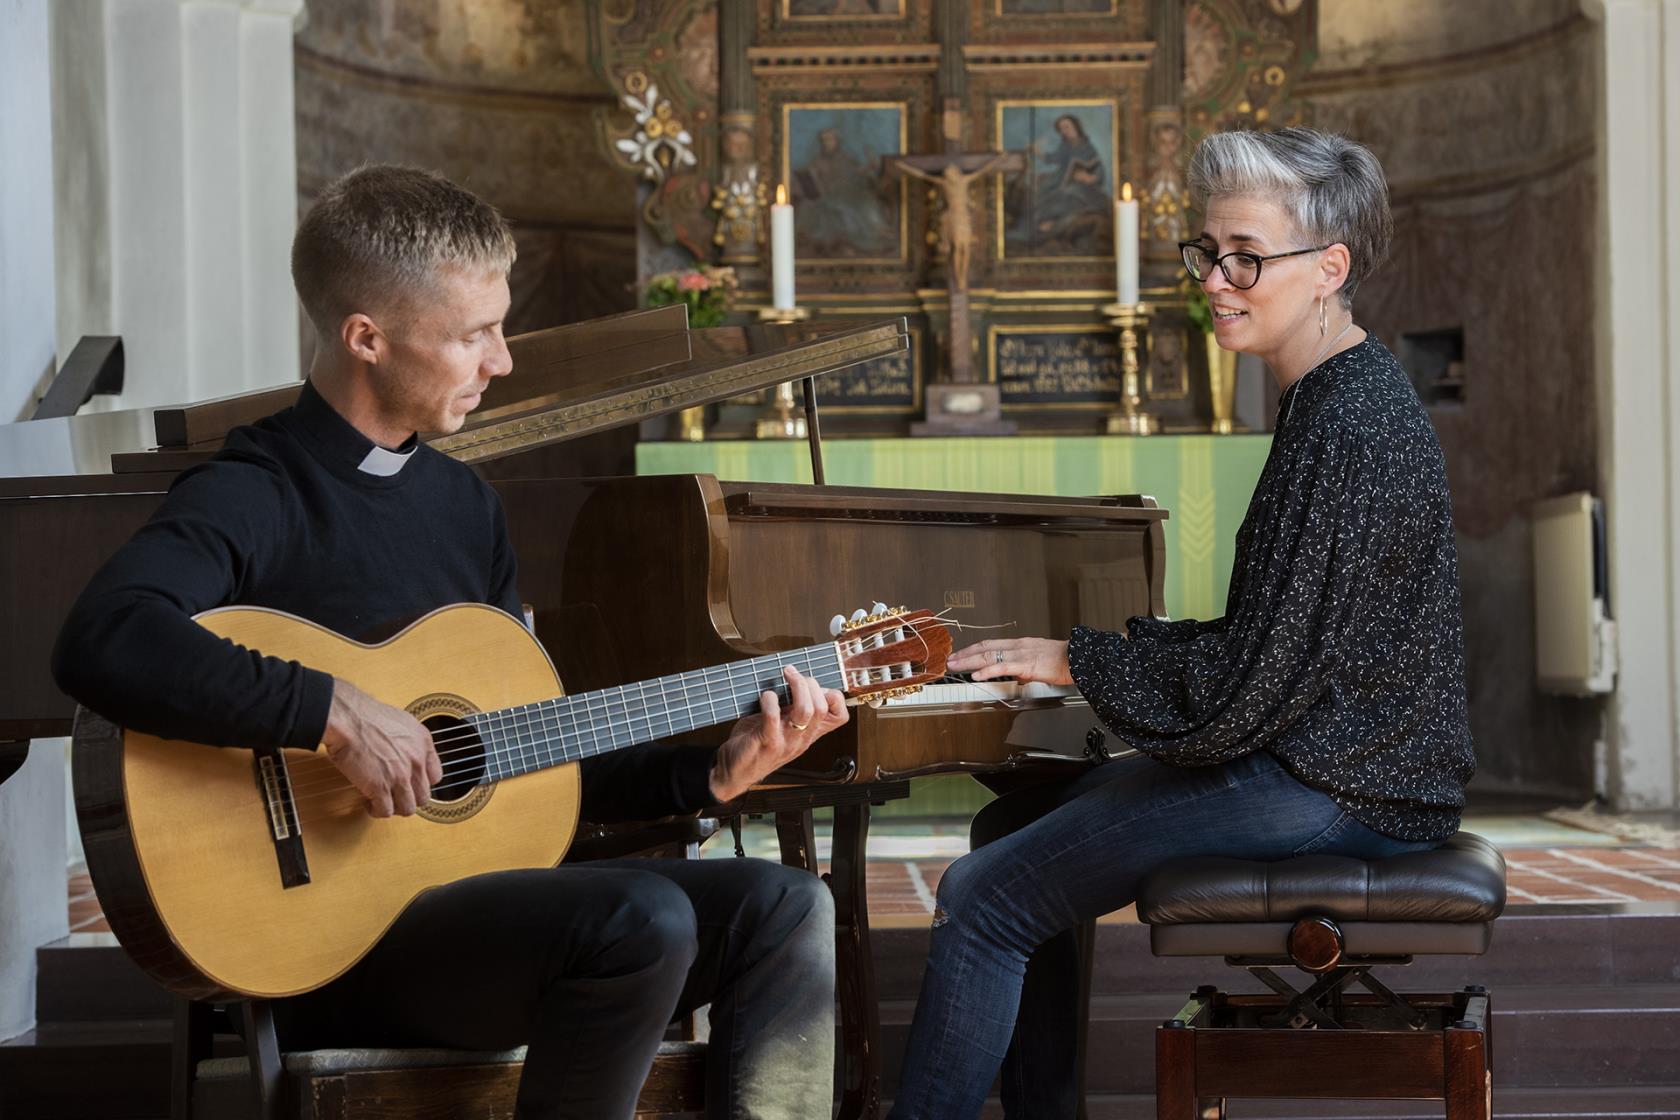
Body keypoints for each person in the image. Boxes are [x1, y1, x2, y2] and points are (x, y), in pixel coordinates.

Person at [52, 164, 848, 1120]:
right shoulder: (254, 491)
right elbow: (103, 638)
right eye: (475, 335)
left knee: (788, 908)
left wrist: (709, 777)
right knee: (640, 917)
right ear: (367, 339)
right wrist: (331, 713)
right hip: (330, 939)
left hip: (485, 917)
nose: (501, 362)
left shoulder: (467, 510)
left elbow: (522, 767)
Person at [885, 127, 1476, 1119]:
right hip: (1324, 756)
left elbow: (1248, 692)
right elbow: (1278, 638)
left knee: (985, 897)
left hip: (1340, 780)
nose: (1215, 277)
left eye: (1246, 254)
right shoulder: (1334, 398)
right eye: (1208, 251)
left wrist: (1080, 659)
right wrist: (1092, 660)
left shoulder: (1348, 423)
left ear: (1329, 267)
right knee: (1008, 823)